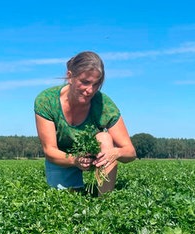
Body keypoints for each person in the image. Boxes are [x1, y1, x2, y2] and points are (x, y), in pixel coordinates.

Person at [34, 51, 136, 195]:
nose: (90, 90)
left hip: (95, 156)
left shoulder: (103, 104)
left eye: (96, 84)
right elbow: (50, 151)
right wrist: (75, 161)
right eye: (85, 82)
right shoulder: (47, 100)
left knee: (105, 138)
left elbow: (130, 152)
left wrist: (115, 153)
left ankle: (104, 201)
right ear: (70, 77)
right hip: (62, 157)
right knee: (65, 200)